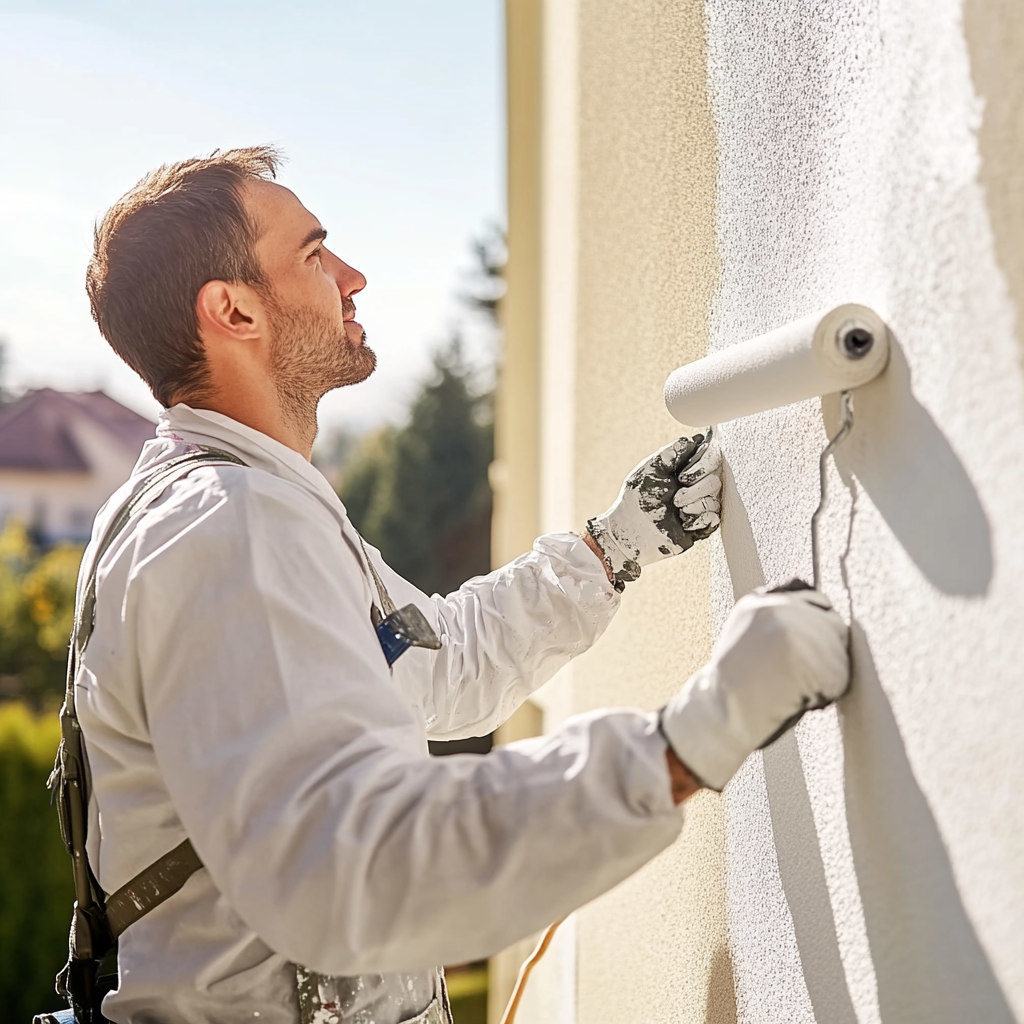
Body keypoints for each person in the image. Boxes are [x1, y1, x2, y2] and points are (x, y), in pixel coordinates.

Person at [70, 146, 849, 1024]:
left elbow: (433, 665)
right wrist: (689, 742)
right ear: (235, 309)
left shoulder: (242, 501)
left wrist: (613, 546)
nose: (353, 276)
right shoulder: (226, 524)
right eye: (316, 254)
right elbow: (351, 870)